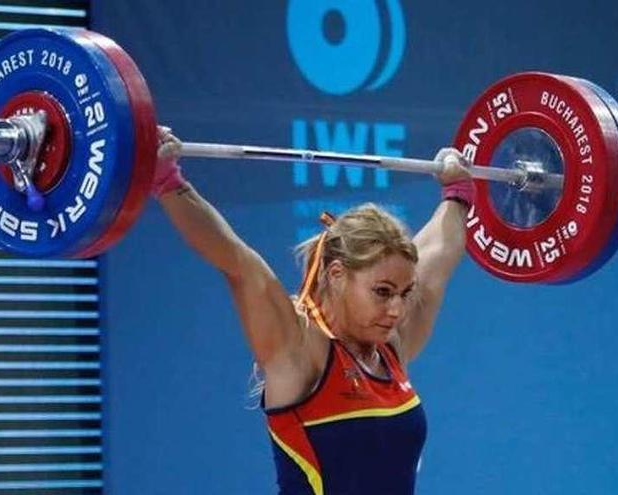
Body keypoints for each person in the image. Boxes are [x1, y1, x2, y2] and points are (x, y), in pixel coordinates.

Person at [152, 127, 474, 494]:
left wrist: (458, 194)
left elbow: (438, 256)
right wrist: (167, 180)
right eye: (382, 292)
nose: (397, 308)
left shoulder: (390, 347)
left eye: (404, 292)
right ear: (337, 275)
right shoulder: (301, 350)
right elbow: (239, 264)